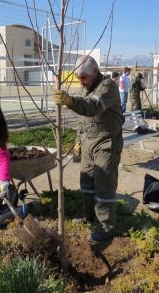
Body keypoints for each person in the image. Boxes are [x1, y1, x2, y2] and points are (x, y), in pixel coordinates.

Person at [53, 55, 124, 244]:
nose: (81, 81)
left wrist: (70, 101)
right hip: (88, 143)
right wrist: (78, 141)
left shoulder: (108, 87)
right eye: (78, 78)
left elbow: (92, 107)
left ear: (95, 71)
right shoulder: (87, 88)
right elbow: (84, 120)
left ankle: (106, 227)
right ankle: (88, 215)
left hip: (106, 144)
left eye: (83, 77)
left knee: (104, 185)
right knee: (86, 182)